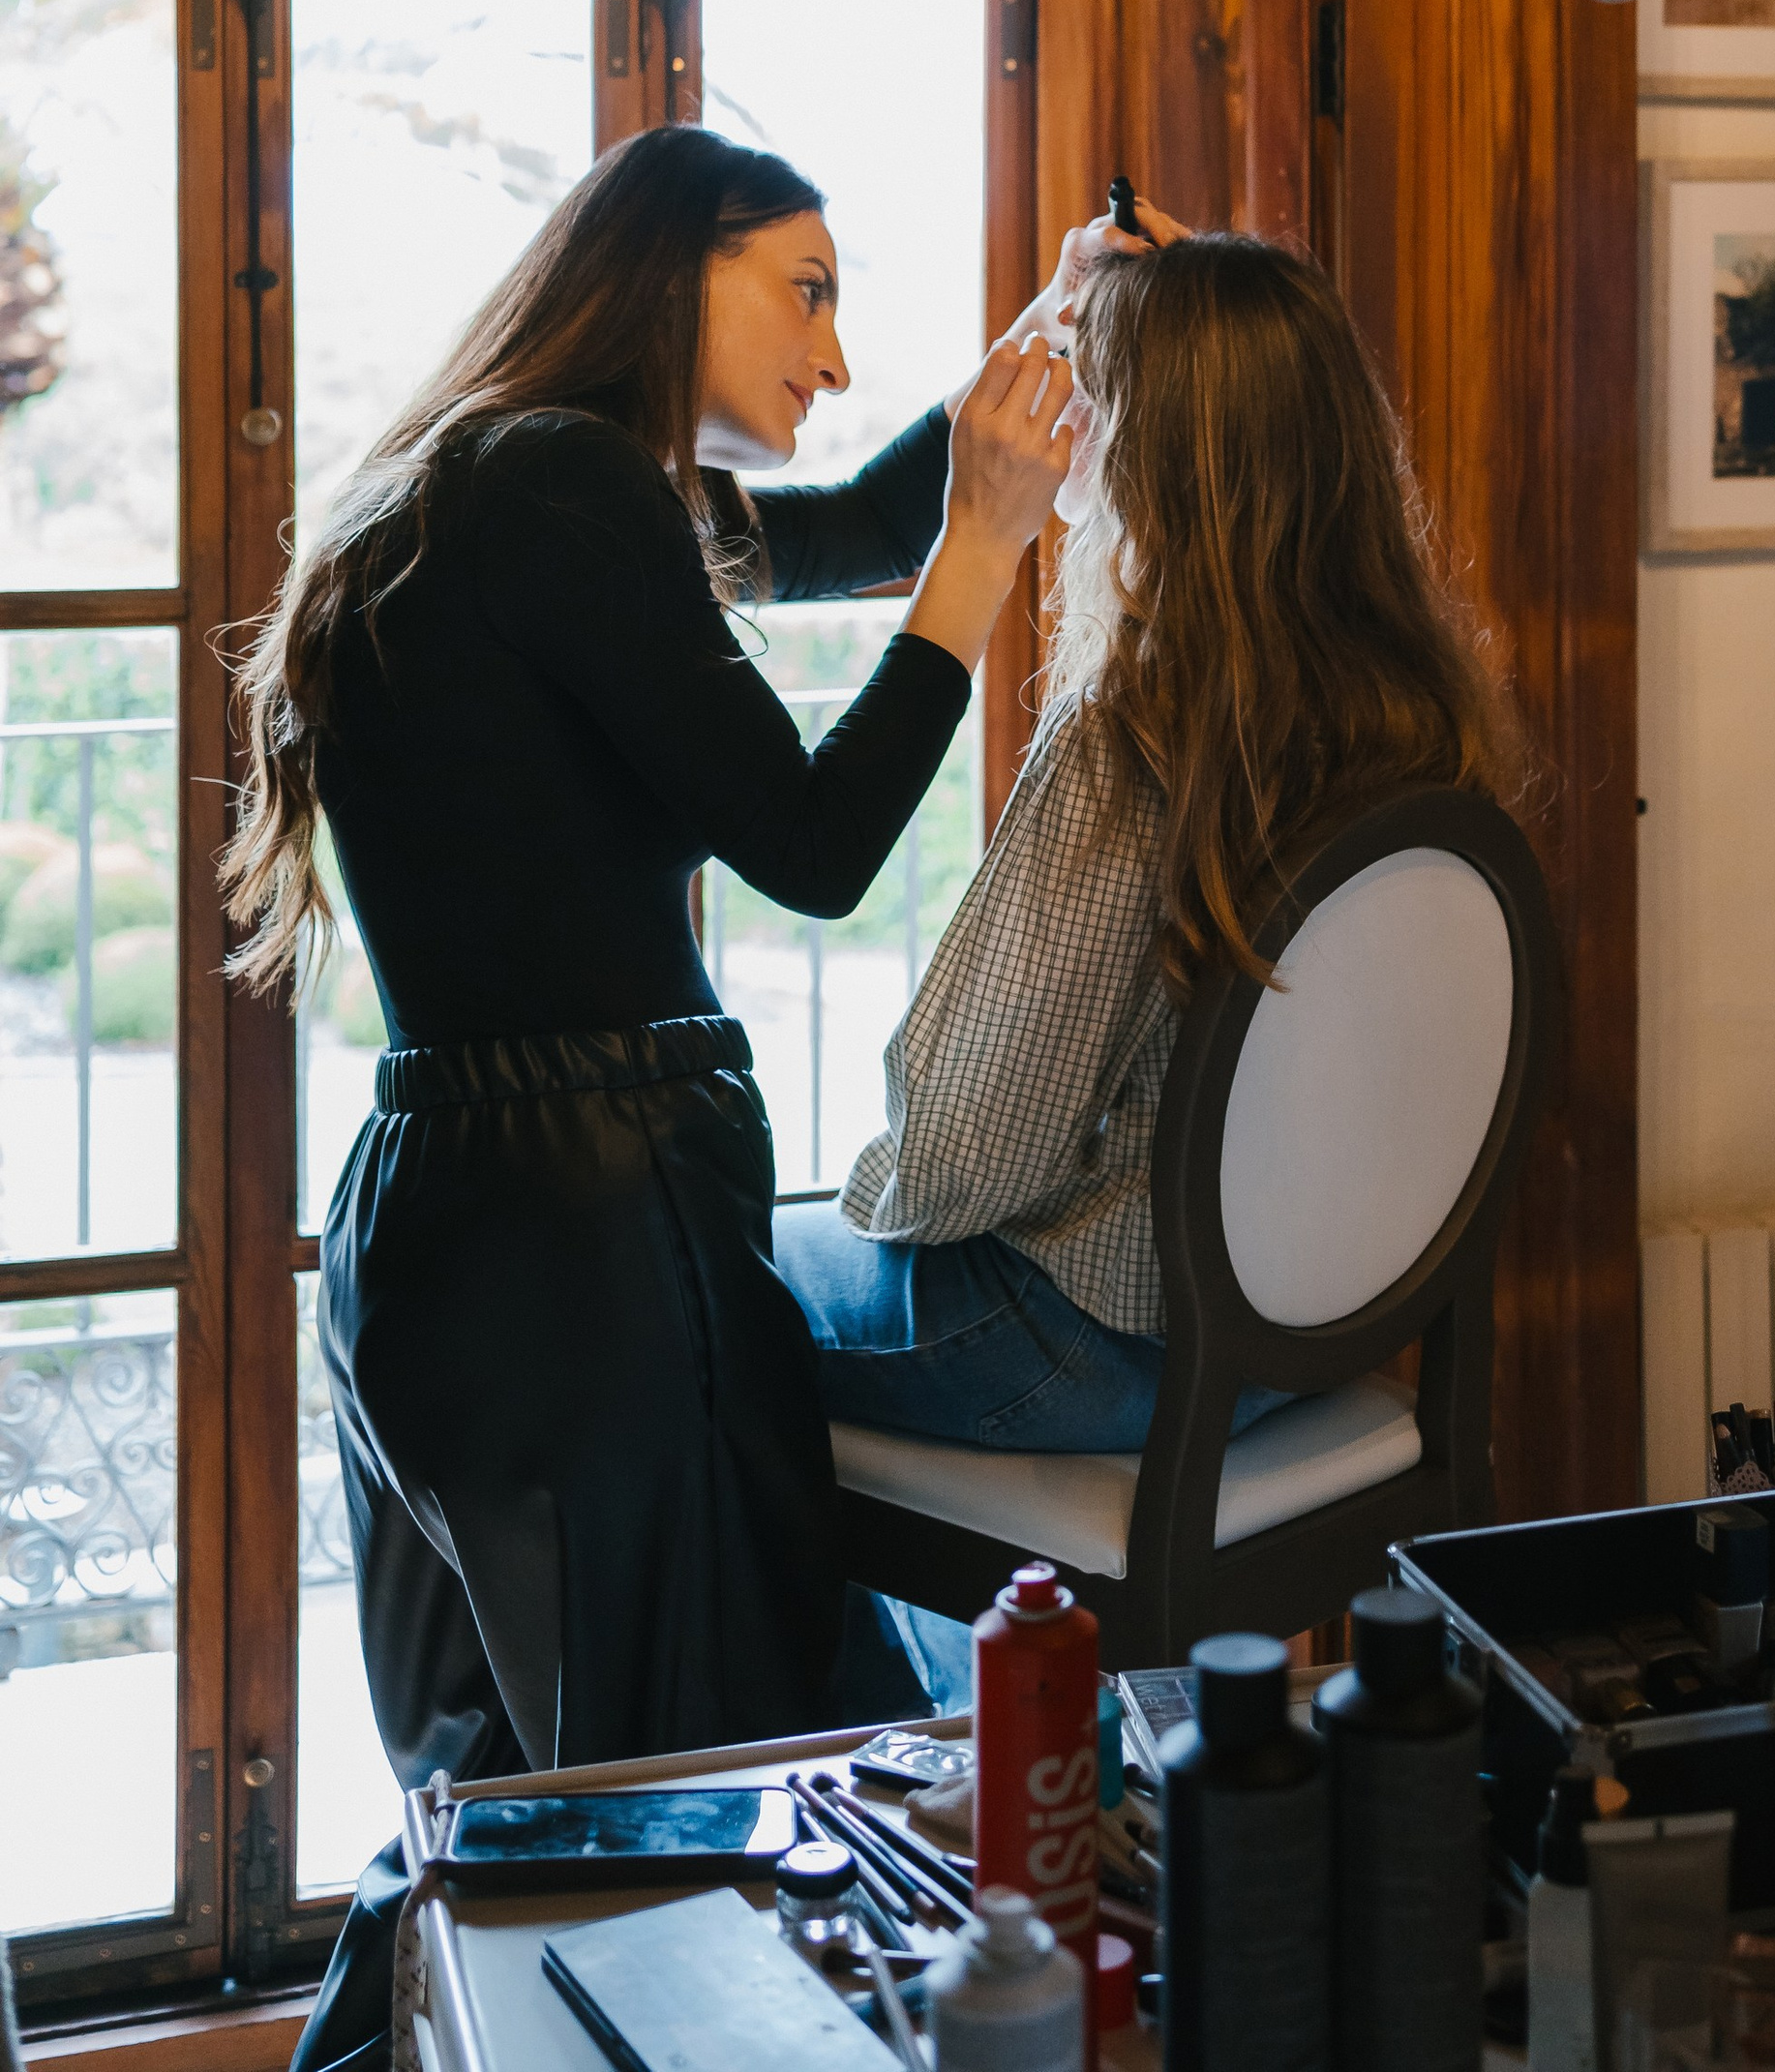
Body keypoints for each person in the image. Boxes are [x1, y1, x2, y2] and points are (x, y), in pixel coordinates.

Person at [226, 125, 1128, 2072]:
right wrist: (985, 561)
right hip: (586, 1243)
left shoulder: (495, 486)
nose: (828, 351)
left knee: (489, 1829)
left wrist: (1055, 335)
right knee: (652, 1840)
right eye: (801, 291)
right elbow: (811, 840)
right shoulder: (561, 489)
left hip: (445, 1223)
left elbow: (858, 527)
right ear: (669, 271)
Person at [773, 230, 1521, 1472]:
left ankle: (876, 1675)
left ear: (1145, 451)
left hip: (1095, 1353)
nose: (1058, 418)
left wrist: (873, 1186)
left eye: (1082, 389)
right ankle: (919, 1665)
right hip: (1314, 1340)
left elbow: (959, 1161)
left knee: (686, 1297)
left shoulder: (1141, 725)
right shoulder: (1416, 714)